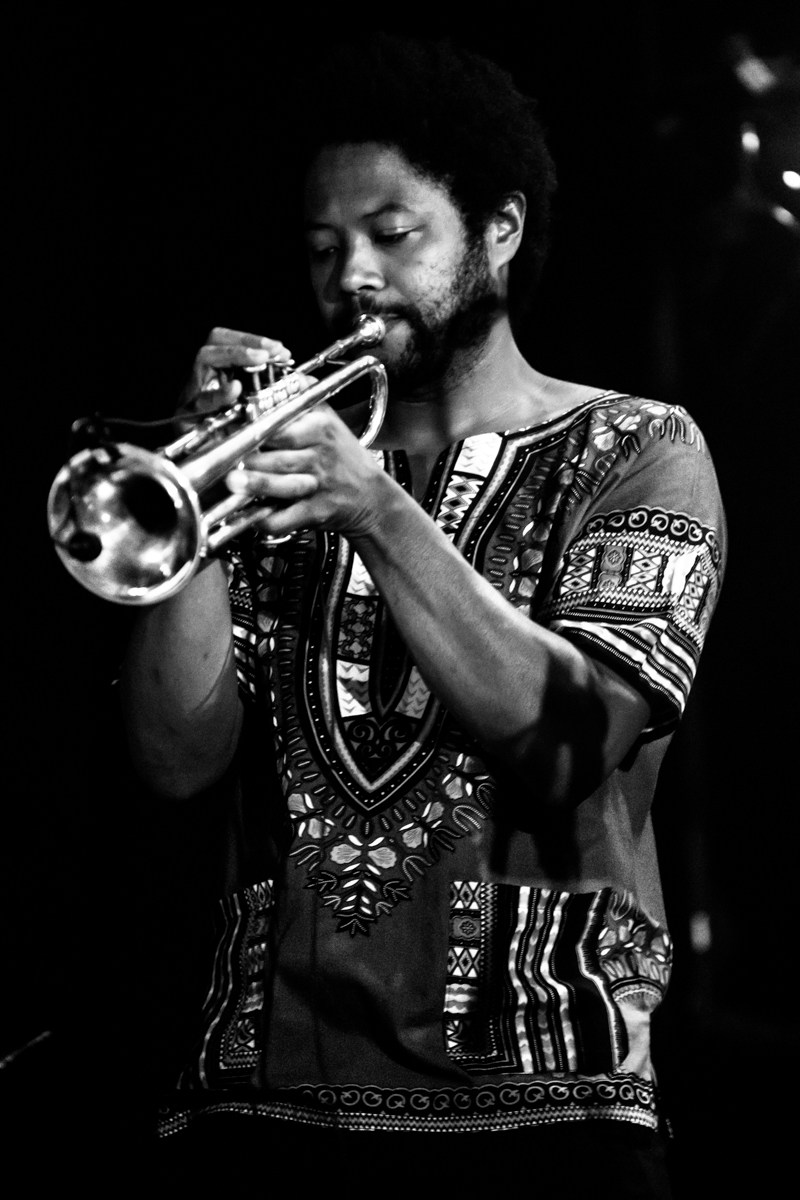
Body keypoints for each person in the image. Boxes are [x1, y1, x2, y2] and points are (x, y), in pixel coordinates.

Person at [124, 36, 725, 1196]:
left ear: (497, 231)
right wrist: (192, 499)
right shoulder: (285, 475)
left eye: (391, 234)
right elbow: (173, 761)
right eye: (322, 248)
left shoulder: (636, 445)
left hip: (544, 1124)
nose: (350, 275)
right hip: (256, 1113)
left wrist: (375, 510)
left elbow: (574, 738)